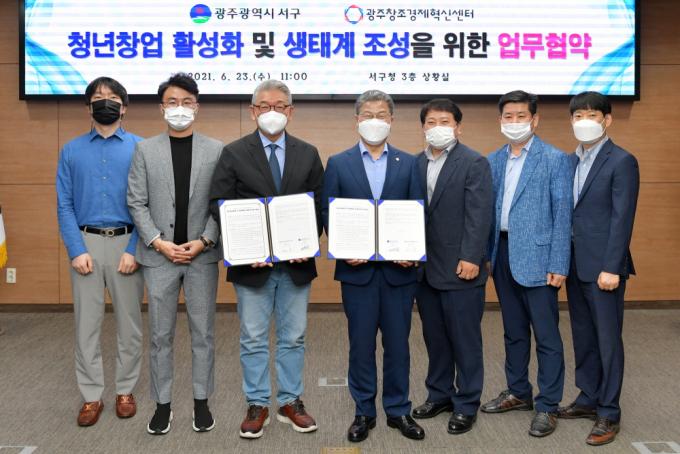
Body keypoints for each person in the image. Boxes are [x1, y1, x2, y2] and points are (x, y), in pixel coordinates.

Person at [209, 80, 323, 439]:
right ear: (252, 111)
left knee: (294, 337)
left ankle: (290, 401)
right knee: (253, 337)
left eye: (279, 106)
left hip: (296, 265)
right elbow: (219, 204)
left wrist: (308, 240)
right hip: (251, 267)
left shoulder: (308, 153)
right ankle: (257, 403)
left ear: (291, 111)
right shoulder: (233, 153)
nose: (271, 112)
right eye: (264, 106)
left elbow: (318, 206)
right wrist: (245, 248)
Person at [321, 90, 425, 443]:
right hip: (357, 273)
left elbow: (418, 211)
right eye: (368, 114)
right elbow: (328, 211)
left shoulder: (408, 163)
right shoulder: (339, 162)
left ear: (391, 120)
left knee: (398, 345)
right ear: (357, 120)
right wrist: (342, 247)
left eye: (381, 114)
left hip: (399, 273)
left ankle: (398, 409)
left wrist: (413, 251)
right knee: (361, 345)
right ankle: (364, 410)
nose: (374, 120)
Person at [127, 73, 223, 435]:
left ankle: (202, 402)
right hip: (159, 258)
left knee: (203, 334)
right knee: (160, 336)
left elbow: (221, 203)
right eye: (172, 102)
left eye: (186, 102)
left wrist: (204, 241)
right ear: (161, 108)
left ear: (196, 107)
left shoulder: (216, 150)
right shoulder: (145, 150)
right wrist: (158, 242)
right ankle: (162, 405)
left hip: (201, 257)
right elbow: (136, 202)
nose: (179, 108)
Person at [482, 90, 572, 437]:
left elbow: (562, 215)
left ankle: (547, 404)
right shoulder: (493, 159)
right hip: (502, 254)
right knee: (513, 331)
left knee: (546, 335)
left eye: (521, 116)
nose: (515, 122)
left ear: (535, 120)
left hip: (539, 257)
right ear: (500, 120)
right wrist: (486, 255)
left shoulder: (554, 159)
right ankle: (518, 391)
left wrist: (559, 263)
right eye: (509, 116)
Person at [56, 77, 144, 427]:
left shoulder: (141, 148)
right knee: (86, 326)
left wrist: (135, 248)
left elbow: (147, 204)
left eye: (112, 97)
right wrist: (76, 249)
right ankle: (91, 395)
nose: (105, 102)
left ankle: (125, 390)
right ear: (88, 107)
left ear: (124, 107)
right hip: (86, 245)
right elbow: (64, 204)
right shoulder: (71, 150)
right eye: (97, 97)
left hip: (128, 244)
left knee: (130, 325)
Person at [557, 91, 640, 446]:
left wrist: (612, 267)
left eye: (591, 115)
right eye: (578, 116)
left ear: (607, 120)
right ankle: (588, 397)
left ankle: (609, 411)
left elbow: (622, 218)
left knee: (607, 339)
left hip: (604, 268)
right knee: (583, 334)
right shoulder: (569, 161)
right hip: (575, 264)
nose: (584, 121)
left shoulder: (622, 160)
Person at [411, 99, 493, 435]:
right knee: (435, 338)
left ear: (458, 127)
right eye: (431, 122)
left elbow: (480, 214)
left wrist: (472, 257)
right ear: (423, 127)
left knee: (465, 340)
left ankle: (467, 403)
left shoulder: (474, 162)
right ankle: (439, 395)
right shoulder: (415, 163)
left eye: (445, 122)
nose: (438, 128)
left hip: (461, 267)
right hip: (424, 269)